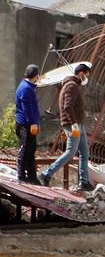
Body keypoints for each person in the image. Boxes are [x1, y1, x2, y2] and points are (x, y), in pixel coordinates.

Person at [42, 63, 93, 191]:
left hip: (77, 124)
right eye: (86, 75)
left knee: (84, 153)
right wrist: (74, 123)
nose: (86, 78)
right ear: (81, 73)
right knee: (70, 152)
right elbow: (67, 106)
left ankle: (84, 182)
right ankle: (46, 173)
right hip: (73, 125)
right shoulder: (72, 86)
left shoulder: (71, 85)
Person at [14, 65, 41, 184]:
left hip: (29, 124)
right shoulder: (26, 88)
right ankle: (21, 176)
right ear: (36, 76)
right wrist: (33, 123)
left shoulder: (29, 87)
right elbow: (27, 109)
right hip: (25, 125)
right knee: (24, 151)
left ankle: (32, 177)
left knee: (31, 151)